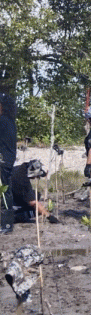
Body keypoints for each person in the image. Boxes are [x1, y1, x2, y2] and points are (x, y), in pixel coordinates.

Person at [0, 93, 17, 233]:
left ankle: (7, 225)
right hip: (8, 159)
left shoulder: (3, 121)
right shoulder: (9, 121)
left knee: (5, 191)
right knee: (6, 190)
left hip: (3, 159)